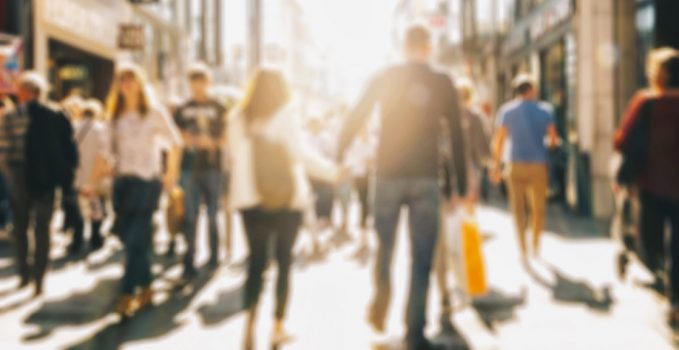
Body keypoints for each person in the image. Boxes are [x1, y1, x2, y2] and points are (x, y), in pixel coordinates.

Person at [338, 25, 468, 349]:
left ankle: (381, 298)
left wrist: (340, 152)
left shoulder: (385, 77)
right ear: (429, 47)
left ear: (403, 46)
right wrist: (460, 183)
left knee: (384, 246)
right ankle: (415, 331)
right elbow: (456, 135)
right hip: (426, 176)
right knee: (422, 258)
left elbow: (357, 115)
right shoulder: (442, 82)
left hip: (387, 175)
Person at [229, 69, 340, 349]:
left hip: (249, 200)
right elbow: (299, 154)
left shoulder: (237, 119)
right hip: (285, 201)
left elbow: (233, 158)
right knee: (284, 263)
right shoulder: (284, 115)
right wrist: (331, 172)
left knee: (255, 263)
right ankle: (278, 326)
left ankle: (249, 324)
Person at [92, 63, 182, 316]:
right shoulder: (114, 116)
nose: (127, 84)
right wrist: (91, 183)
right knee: (135, 241)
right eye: (122, 80)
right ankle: (147, 287)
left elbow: (175, 142)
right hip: (122, 185)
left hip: (147, 183)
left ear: (140, 84)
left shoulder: (154, 113)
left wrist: (171, 176)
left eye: (131, 79)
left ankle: (126, 294)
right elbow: (104, 153)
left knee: (134, 241)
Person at [613, 47, 679, 327]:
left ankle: (668, 290)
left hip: (653, 185)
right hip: (665, 185)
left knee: (651, 243)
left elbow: (621, 141)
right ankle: (674, 299)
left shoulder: (645, 102)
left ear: (660, 75)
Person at [0, 71, 78, 297]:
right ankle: (39, 276)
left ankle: (25, 272)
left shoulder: (13, 116)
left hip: (20, 175)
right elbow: (69, 150)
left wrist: (9, 173)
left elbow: (3, 151)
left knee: (22, 225)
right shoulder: (56, 114)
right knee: (42, 227)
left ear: (26, 92)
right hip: (46, 178)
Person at [433, 77, 490, 330]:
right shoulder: (471, 118)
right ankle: (462, 287)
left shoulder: (435, 117)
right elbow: (480, 153)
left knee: (441, 245)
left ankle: (446, 292)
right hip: (461, 186)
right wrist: (472, 184)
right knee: (462, 237)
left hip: (438, 188)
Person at [491, 74, 559, 264]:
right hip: (539, 165)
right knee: (538, 209)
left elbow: (499, 141)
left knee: (518, 209)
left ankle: (523, 249)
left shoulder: (506, 111)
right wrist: (547, 145)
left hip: (515, 165)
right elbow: (553, 140)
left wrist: (496, 165)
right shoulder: (546, 110)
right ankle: (535, 246)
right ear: (532, 90)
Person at [173, 63, 228, 278]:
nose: (197, 87)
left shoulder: (218, 107)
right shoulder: (183, 108)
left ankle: (214, 256)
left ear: (208, 83)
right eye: (193, 82)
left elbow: (226, 138)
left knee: (214, 214)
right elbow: (174, 135)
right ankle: (189, 258)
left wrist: (211, 142)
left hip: (212, 167)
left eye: (201, 82)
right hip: (188, 167)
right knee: (190, 215)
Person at [72, 99, 110, 254]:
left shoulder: (73, 127)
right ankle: (96, 237)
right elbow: (105, 153)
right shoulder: (100, 128)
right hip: (96, 175)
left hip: (78, 175)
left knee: (79, 208)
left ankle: (77, 239)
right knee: (97, 206)